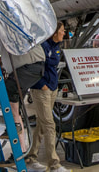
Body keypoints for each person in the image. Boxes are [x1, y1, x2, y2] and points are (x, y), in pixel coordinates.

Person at [26, 22, 67, 172]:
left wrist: (53, 86)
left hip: (52, 89)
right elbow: (32, 67)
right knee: (49, 125)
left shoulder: (56, 47)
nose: (64, 33)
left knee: (42, 124)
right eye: (62, 30)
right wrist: (41, 84)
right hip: (41, 90)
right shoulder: (42, 46)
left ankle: (31, 157)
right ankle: (54, 164)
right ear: (54, 33)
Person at [0, 42, 46, 151]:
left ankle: (15, 125)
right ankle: (22, 151)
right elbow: (5, 46)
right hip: (20, 69)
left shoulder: (7, 30)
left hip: (30, 66)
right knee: (14, 108)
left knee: (9, 88)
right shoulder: (1, 34)